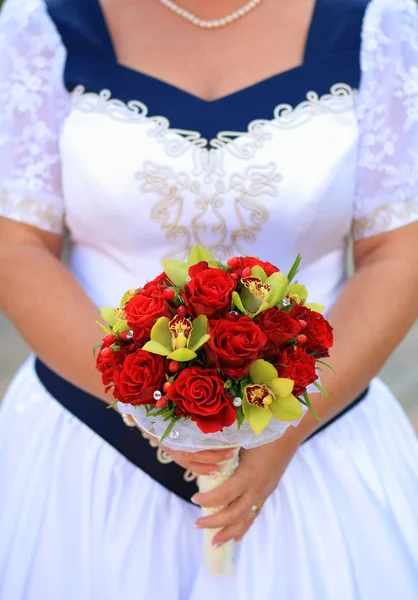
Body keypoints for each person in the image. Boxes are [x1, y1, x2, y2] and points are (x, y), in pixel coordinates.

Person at [0, 0, 417, 597]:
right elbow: (17, 247)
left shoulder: (382, 24)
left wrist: (288, 426)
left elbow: (398, 254)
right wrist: (143, 398)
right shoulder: (40, 22)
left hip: (319, 439)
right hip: (89, 441)